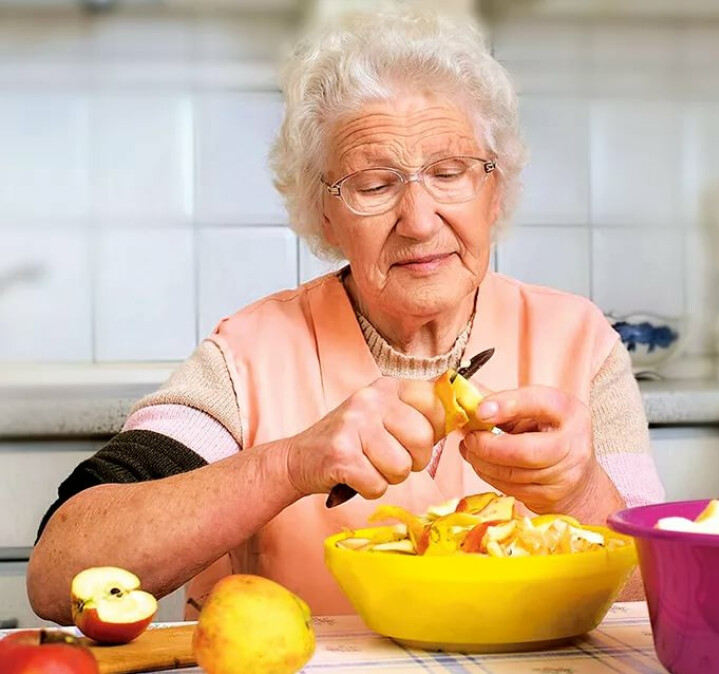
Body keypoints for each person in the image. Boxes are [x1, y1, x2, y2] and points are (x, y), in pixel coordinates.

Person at [27, 8, 663, 623]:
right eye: (374, 184)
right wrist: (290, 463)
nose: (418, 220)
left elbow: (661, 597)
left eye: (449, 172)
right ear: (323, 214)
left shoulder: (579, 343)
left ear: (494, 192)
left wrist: (581, 493)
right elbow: (61, 574)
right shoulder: (248, 357)